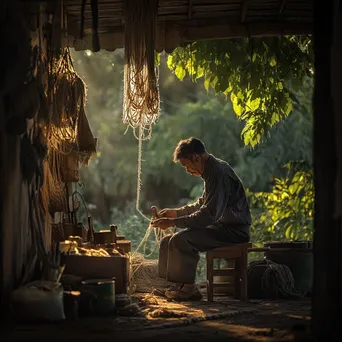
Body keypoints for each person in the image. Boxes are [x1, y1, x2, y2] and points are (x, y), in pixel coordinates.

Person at [151, 137, 251, 301]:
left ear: (196, 158)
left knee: (180, 240)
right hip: (221, 228)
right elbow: (202, 204)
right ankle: (176, 286)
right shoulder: (211, 171)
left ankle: (189, 289)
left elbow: (208, 215)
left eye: (186, 166)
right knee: (167, 241)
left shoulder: (218, 172)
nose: (188, 170)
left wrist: (173, 223)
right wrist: (175, 213)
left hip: (234, 231)